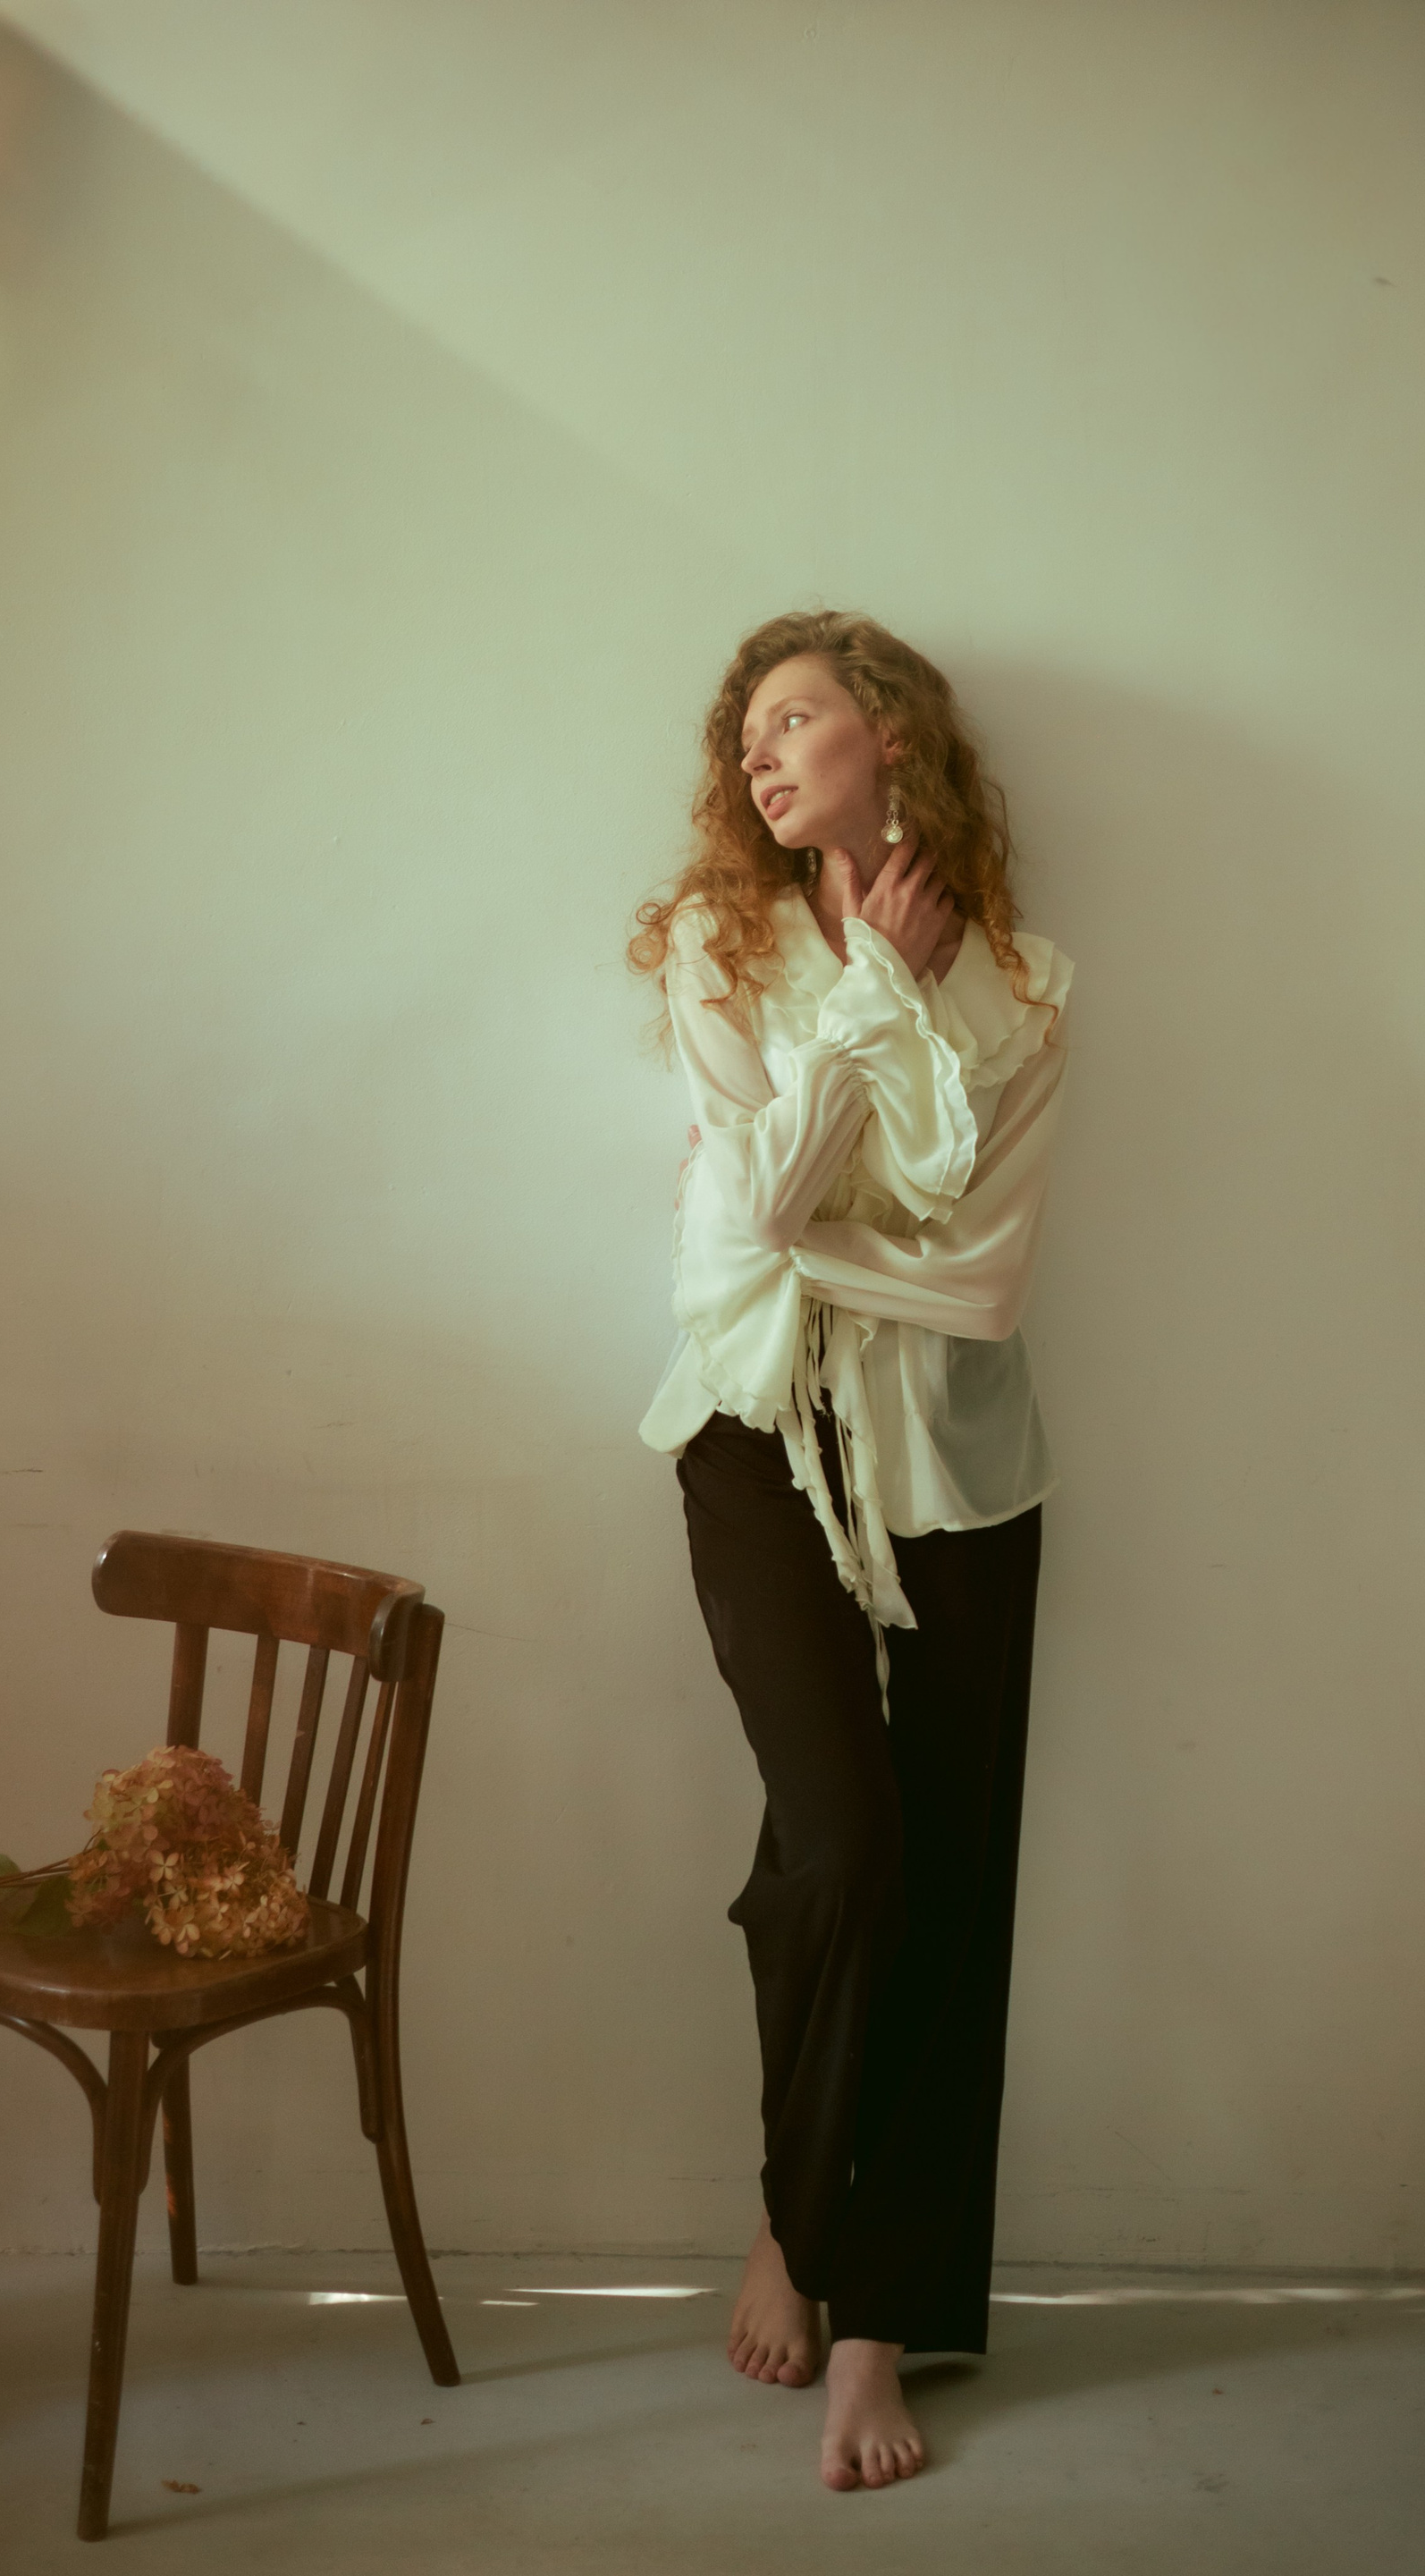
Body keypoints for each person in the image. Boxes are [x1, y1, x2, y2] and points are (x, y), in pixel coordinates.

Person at [630, 611, 1073, 2493]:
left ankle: (874, 2312)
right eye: (745, 735)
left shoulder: (1030, 983)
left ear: (889, 734)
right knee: (839, 1848)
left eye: (795, 716)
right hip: (757, 1438)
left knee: (947, 1878)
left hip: (961, 1465)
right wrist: (869, 999)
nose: (760, 753)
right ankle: (800, 2211)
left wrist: (792, 1233)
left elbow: (983, 1279)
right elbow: (762, 1221)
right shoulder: (716, 951)